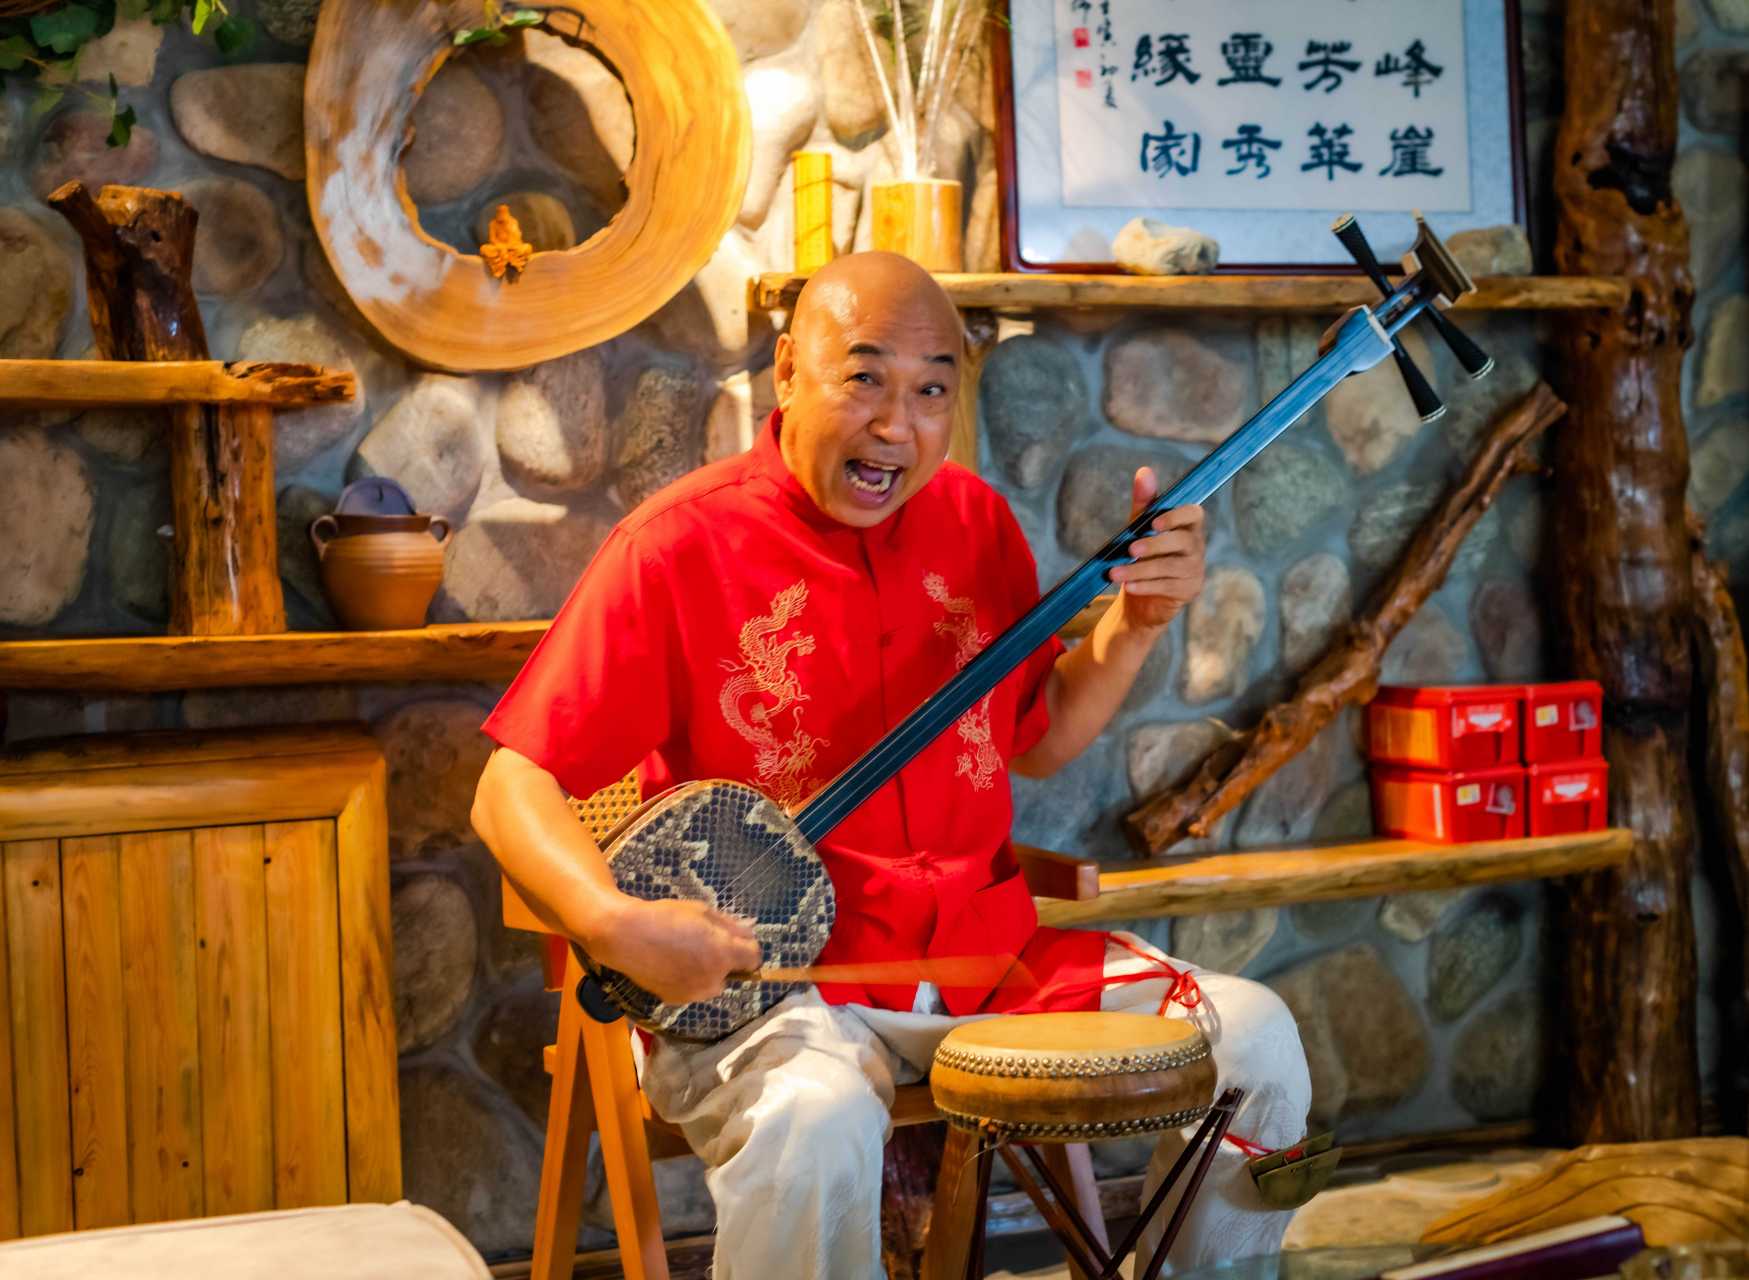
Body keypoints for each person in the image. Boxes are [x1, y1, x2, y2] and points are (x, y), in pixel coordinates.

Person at [471, 252, 1311, 1278]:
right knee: (814, 1116)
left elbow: (1035, 737)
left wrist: (1136, 625)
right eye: (863, 376)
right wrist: (610, 919)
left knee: (1256, 1042)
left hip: (984, 967)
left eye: (930, 390)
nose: (896, 423)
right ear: (786, 372)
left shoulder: (975, 522)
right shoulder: (676, 547)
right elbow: (512, 783)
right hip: (777, 989)